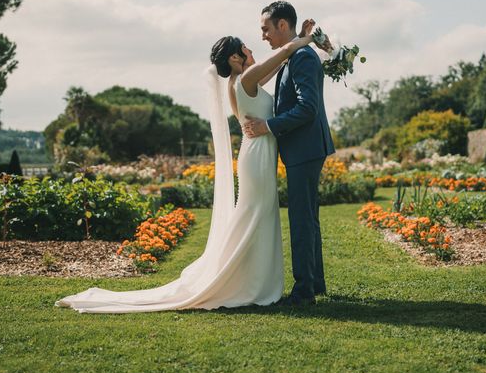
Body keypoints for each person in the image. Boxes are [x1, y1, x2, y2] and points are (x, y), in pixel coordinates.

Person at [54, 19, 318, 313]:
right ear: (234, 58)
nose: (252, 48)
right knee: (256, 216)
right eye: (245, 47)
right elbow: (283, 54)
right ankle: (248, 283)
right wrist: (307, 38)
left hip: (255, 152)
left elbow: (273, 69)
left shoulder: (241, 81)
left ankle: (252, 280)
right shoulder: (245, 79)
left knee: (257, 216)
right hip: (257, 153)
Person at [243, 1, 335, 306]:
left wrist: (268, 126)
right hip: (304, 148)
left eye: (266, 29)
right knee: (308, 218)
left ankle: (303, 290)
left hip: (305, 149)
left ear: (283, 25)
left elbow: (307, 108)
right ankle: (315, 282)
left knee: (301, 219)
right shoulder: (293, 56)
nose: (264, 36)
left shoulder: (303, 58)